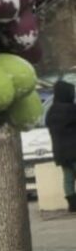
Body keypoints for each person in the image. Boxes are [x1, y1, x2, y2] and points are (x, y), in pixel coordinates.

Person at [45, 79, 76, 212]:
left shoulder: (51, 111)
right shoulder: (71, 109)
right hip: (74, 149)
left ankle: (72, 204)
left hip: (60, 152)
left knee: (68, 178)